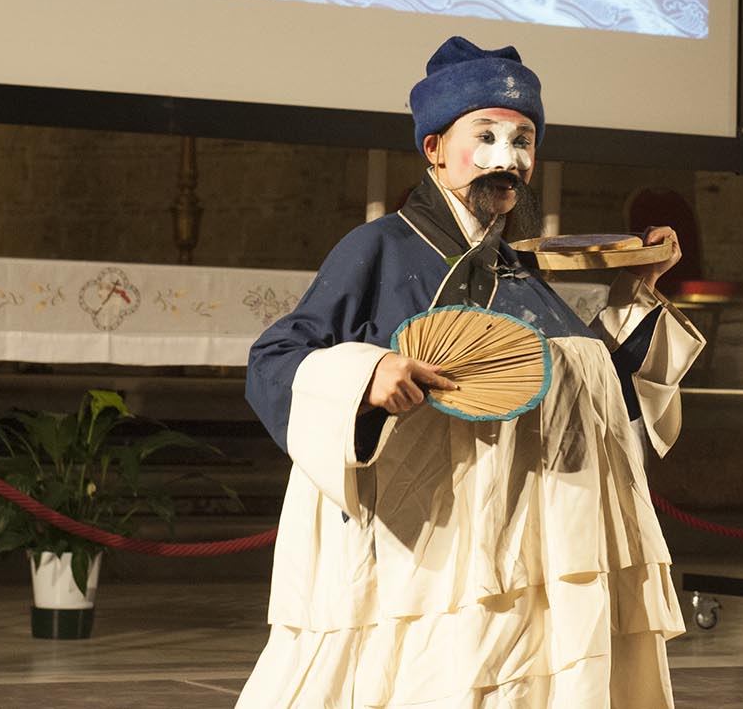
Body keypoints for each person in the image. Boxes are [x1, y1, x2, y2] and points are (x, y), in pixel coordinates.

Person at [240, 36, 705, 708]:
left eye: (522, 140)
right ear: (432, 147)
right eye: (484, 136)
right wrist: (366, 376)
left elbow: (602, 395)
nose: (506, 158)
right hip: (421, 564)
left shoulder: (518, 270)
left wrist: (636, 291)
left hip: (529, 558)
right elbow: (274, 360)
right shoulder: (378, 248)